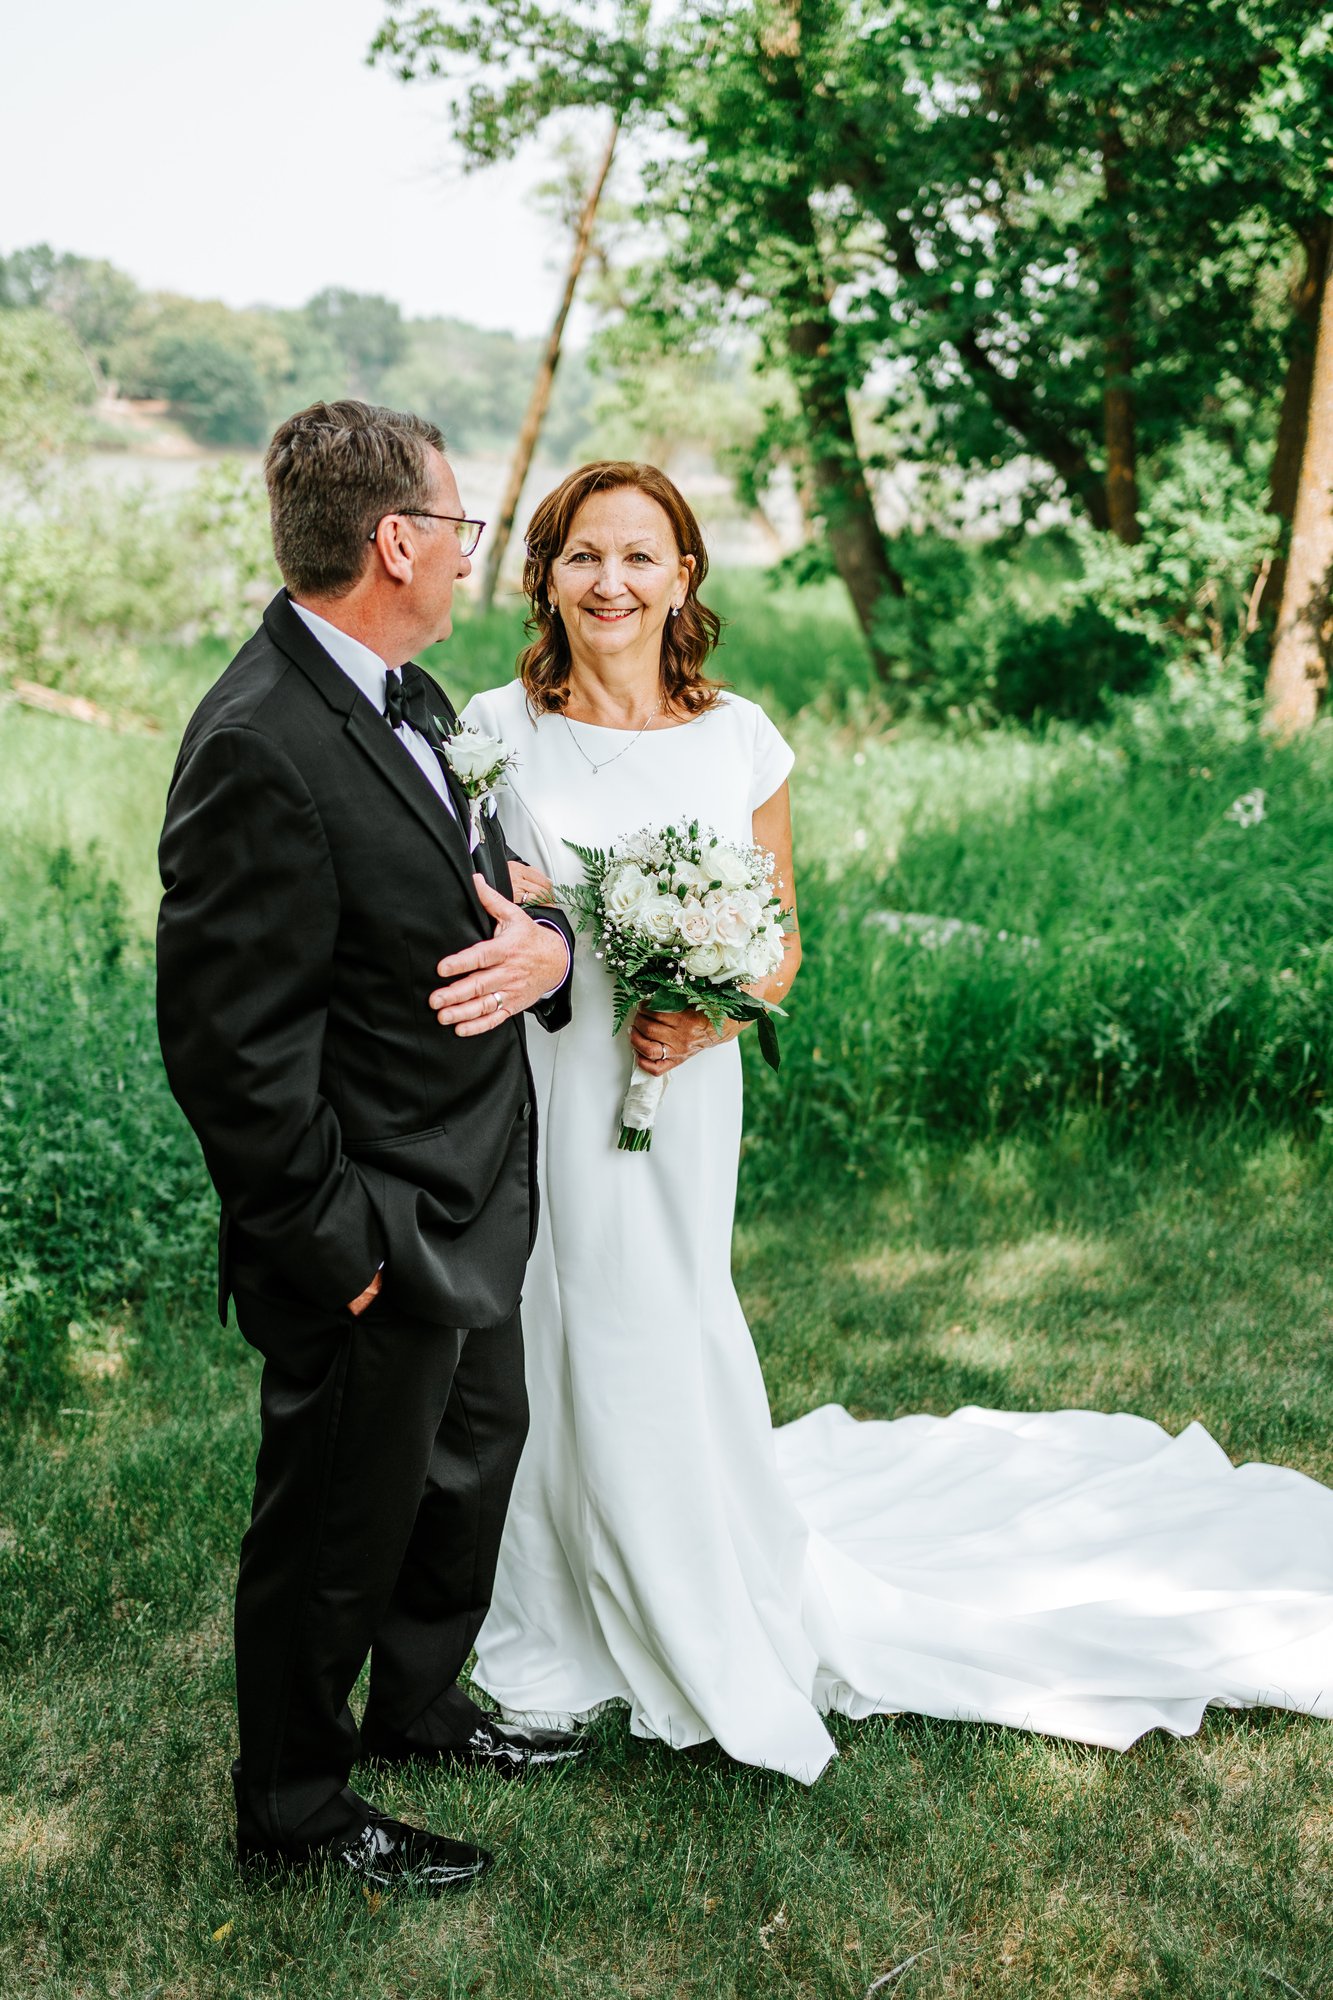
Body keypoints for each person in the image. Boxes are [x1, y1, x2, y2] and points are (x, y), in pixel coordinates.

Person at [450, 460, 1333, 1782]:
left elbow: (778, 941)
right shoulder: (490, 729)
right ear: (546, 573)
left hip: (677, 1088)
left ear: (684, 576)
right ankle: (546, 1632)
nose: (611, 582)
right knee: (537, 1328)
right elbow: (475, 910)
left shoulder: (738, 735)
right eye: (583, 555)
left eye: (640, 556)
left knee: (654, 1320)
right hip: (537, 1082)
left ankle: (680, 1594)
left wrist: (713, 1015)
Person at [156, 401, 584, 1894]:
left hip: (473, 1186)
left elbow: (503, 901)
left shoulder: (414, 696)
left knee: (464, 1469)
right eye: (458, 528)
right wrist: (337, 1254)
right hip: (372, 1225)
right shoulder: (260, 742)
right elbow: (230, 1051)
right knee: (334, 1526)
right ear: (395, 541)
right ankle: (290, 1806)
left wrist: (549, 941)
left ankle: (414, 1708)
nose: (470, 555)